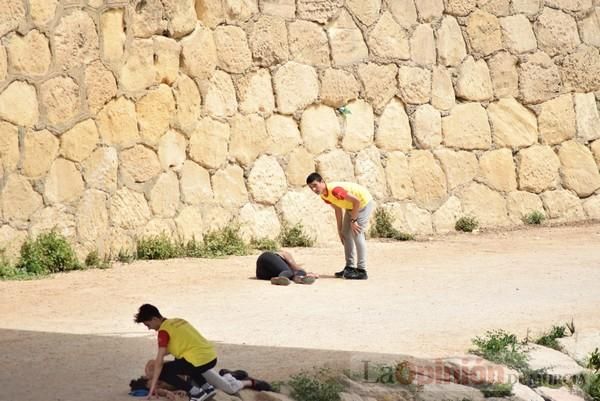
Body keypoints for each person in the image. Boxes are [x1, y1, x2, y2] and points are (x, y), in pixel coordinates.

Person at [134, 304, 271, 401]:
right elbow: (181, 345)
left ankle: (198, 392)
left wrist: (153, 386)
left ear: (154, 319)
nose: (149, 329)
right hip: (209, 357)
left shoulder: (163, 332)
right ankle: (212, 384)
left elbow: (159, 362)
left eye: (148, 325)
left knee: (228, 388)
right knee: (181, 363)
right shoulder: (178, 321)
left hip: (198, 362)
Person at [306, 172, 374, 280]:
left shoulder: (335, 190)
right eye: (311, 187)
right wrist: (340, 230)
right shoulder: (324, 196)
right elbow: (337, 209)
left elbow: (356, 201)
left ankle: (362, 270)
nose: (314, 189)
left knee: (356, 233)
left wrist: (354, 220)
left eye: (315, 185)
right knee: (346, 234)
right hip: (351, 207)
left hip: (363, 203)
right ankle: (350, 267)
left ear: (322, 182)